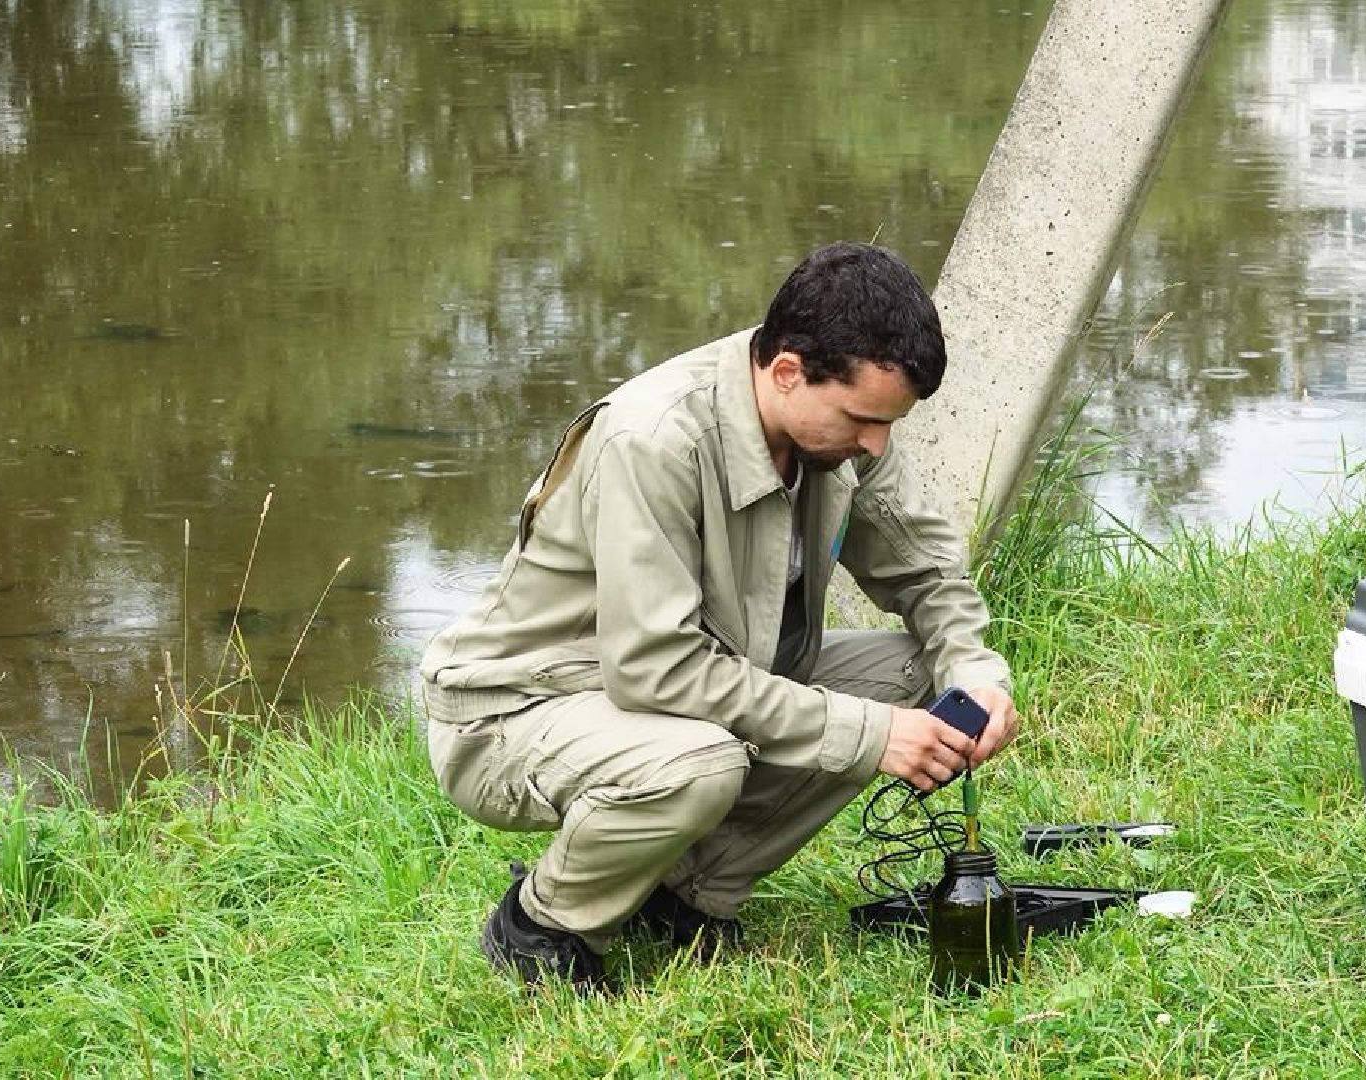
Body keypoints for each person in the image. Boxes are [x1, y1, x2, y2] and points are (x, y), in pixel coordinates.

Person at [420, 241, 1019, 991]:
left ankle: (680, 897)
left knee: (913, 673)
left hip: (664, 694)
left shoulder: (839, 435)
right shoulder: (655, 439)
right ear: (788, 372)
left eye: (889, 424)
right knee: (703, 763)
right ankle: (545, 924)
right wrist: (867, 735)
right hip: (516, 711)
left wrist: (975, 675)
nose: (877, 444)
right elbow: (656, 667)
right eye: (863, 419)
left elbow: (928, 573)